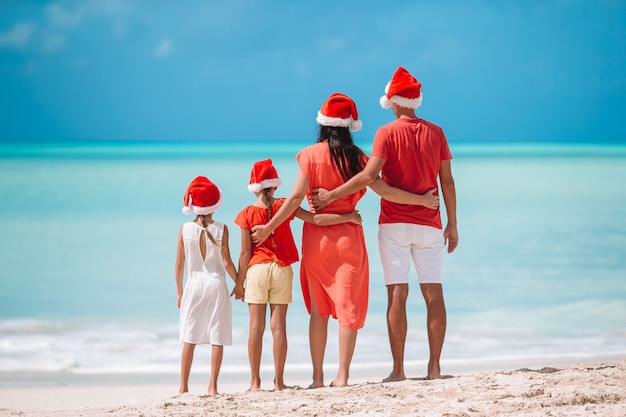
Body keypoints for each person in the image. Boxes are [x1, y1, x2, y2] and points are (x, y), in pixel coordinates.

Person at [251, 93, 440, 388]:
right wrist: (422, 201)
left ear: (323, 124)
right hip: (348, 237)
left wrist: (269, 228)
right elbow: (387, 192)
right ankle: (342, 376)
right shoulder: (359, 159)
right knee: (347, 307)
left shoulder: (309, 155)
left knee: (319, 310)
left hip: (317, 240)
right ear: (350, 125)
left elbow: (295, 200)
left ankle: (317, 378)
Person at [311, 67, 458, 381]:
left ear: (393, 101)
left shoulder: (386, 133)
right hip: (431, 224)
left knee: (397, 295)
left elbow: (367, 177)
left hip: (393, 224)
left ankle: (398, 370)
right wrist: (452, 224)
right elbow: (447, 182)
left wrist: (329, 196)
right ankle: (434, 369)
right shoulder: (437, 132)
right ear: (415, 100)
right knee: (434, 295)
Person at [233, 158, 362, 392]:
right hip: (282, 270)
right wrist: (348, 217)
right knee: (279, 327)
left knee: (255, 327)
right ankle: (279, 383)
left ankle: (254, 383)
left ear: (253, 187)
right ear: (275, 186)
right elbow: (316, 219)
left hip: (257, 270)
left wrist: (239, 283)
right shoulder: (285, 205)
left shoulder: (246, 214)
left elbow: (244, 253)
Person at [175, 176, 238, 395]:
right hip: (216, 285)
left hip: (193, 286)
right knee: (217, 335)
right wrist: (240, 283)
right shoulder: (222, 229)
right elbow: (227, 262)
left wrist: (179, 292)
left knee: (189, 336)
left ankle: (183, 386)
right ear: (215, 205)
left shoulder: (185, 229)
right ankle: (212, 386)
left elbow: (179, 264)